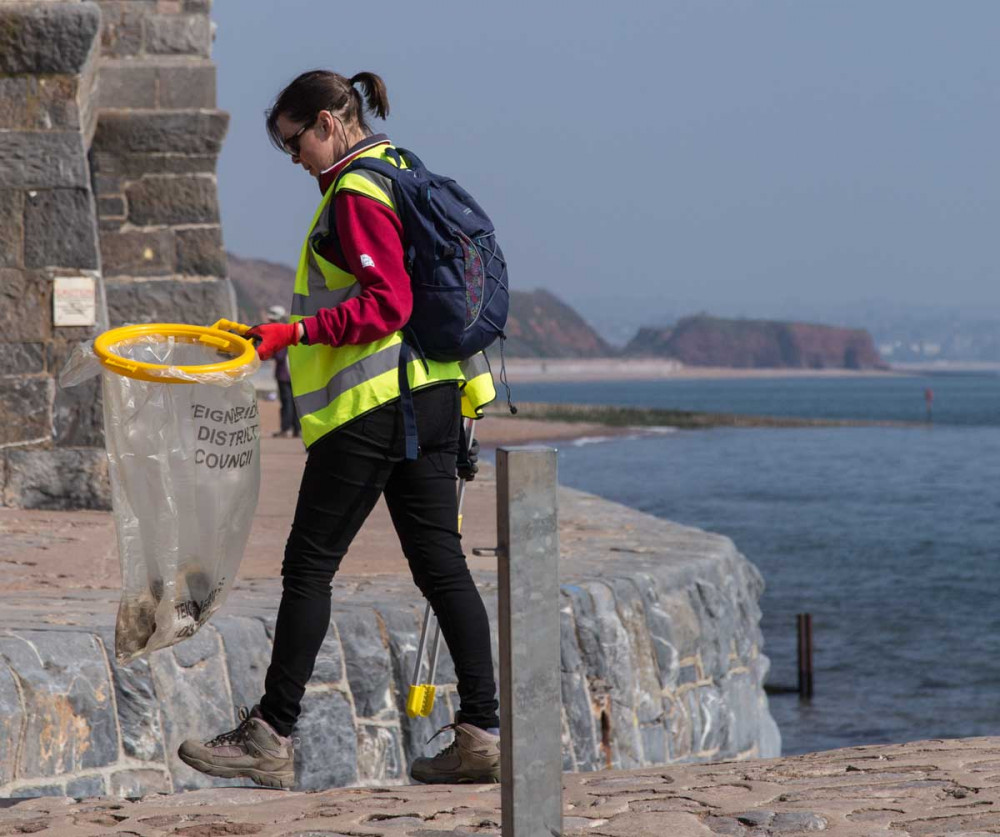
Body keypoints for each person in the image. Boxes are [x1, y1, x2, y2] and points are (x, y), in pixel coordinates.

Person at [178, 70, 500, 789]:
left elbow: (387, 305)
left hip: (376, 408)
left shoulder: (355, 193)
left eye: (295, 143)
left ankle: (271, 733)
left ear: (328, 122)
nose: (295, 160)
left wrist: (288, 333)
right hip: (435, 397)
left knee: (310, 564)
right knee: (442, 566)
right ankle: (483, 730)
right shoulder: (402, 169)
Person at [265, 304, 300, 438]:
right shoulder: (291, 330)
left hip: (284, 374)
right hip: (294, 373)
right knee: (294, 402)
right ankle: (297, 429)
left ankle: (285, 429)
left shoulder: (281, 333)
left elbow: (279, 356)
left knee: (287, 402)